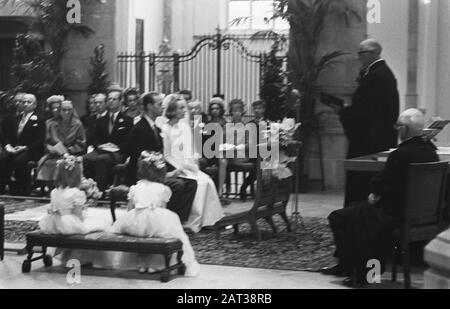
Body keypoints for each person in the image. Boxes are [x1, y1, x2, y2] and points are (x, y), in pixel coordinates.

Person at [322, 109, 439, 287]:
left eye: (398, 126)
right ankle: (349, 267)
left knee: (339, 217)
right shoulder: (431, 152)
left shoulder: (400, 154)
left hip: (394, 214)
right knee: (355, 211)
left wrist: (374, 193)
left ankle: (363, 273)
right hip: (419, 216)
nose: (397, 130)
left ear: (404, 130)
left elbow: (382, 183)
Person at [110, 151, 200, 276]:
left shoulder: (135, 187)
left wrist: (129, 221)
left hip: (136, 219)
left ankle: (141, 263)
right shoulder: (163, 189)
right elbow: (163, 209)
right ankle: (155, 264)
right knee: (159, 234)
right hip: (155, 218)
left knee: (142, 236)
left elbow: (130, 208)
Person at [337, 39, 400, 207]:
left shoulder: (376, 76)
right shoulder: (382, 73)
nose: (359, 58)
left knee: (362, 183)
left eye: (361, 53)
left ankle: (357, 216)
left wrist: (343, 112)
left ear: (372, 54)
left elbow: (364, 112)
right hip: (378, 138)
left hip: (368, 142)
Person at [127, 92, 197, 223]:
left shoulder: (155, 128)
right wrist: (168, 175)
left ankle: (180, 220)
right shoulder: (140, 129)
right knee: (178, 185)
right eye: (159, 104)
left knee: (191, 183)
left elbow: (161, 155)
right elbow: (141, 160)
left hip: (156, 171)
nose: (162, 107)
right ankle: (167, 220)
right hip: (144, 175)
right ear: (149, 106)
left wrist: (174, 171)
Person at [161, 94, 224, 233]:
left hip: (187, 165)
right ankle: (190, 220)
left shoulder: (184, 127)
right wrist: (180, 168)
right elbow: (167, 155)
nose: (185, 110)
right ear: (172, 110)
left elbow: (190, 150)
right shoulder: (165, 129)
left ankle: (208, 219)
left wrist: (192, 163)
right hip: (174, 167)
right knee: (198, 183)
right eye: (181, 108)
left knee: (206, 181)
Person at [83, 89, 134, 192]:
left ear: (120, 102)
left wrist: (116, 147)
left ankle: (99, 192)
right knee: (85, 158)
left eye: (114, 99)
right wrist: (99, 145)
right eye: (109, 99)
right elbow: (94, 139)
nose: (111, 101)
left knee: (101, 160)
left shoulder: (127, 120)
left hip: (118, 152)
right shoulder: (101, 120)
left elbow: (130, 141)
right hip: (102, 150)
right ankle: (88, 189)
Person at [0, 94, 46, 195]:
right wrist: (8, 146)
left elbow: (40, 140)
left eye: (29, 102)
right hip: (16, 148)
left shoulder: (40, 119)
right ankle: (3, 188)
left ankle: (22, 189)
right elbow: (8, 135)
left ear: (35, 105)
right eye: (24, 102)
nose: (25, 104)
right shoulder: (17, 118)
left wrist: (24, 148)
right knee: (2, 158)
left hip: (32, 150)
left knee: (19, 160)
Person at [37, 101, 86, 184]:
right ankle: (49, 190)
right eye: (64, 110)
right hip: (53, 154)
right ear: (60, 111)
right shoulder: (51, 124)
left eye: (69, 110)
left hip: (71, 153)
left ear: (72, 110)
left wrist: (68, 151)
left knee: (64, 163)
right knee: (48, 163)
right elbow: (46, 142)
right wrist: (52, 149)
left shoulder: (78, 124)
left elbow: (81, 143)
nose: (67, 112)